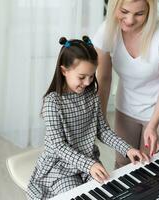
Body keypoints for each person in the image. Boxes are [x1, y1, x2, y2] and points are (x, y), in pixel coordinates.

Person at [26, 36, 148, 199]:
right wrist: (89, 165)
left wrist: (128, 149)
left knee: (106, 192)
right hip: (60, 167)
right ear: (64, 71)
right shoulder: (53, 103)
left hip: (88, 161)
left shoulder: (91, 96)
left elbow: (103, 130)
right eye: (82, 77)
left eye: (91, 76)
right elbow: (58, 146)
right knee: (79, 196)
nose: (88, 82)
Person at [93, 0, 159, 169]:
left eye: (139, 14)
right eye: (124, 11)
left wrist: (153, 125)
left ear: (149, 11)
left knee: (148, 168)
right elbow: (104, 78)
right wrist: (101, 116)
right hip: (127, 107)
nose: (129, 20)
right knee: (122, 163)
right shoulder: (107, 30)